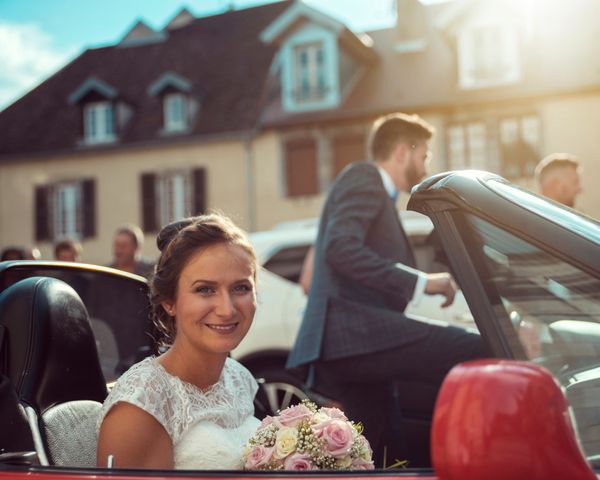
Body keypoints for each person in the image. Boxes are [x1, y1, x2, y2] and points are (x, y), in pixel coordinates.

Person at [286, 112, 486, 464]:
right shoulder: (364, 178)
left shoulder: (378, 195)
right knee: (477, 347)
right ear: (402, 151)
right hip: (352, 335)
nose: (425, 167)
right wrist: (423, 282)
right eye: (423, 155)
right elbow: (340, 249)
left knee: (381, 447)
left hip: (357, 340)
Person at [97, 212, 260, 469]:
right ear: (169, 302)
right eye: (205, 289)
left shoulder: (239, 377)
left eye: (241, 287)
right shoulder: (142, 404)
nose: (227, 309)